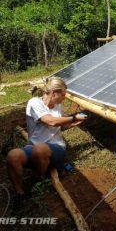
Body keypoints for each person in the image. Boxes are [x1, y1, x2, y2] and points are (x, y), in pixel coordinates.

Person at [6, 77, 88, 207]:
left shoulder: (57, 106)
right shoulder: (34, 103)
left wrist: (73, 123)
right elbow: (51, 121)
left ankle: (36, 178)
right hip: (34, 148)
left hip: (56, 149)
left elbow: (59, 126)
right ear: (54, 93)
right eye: (63, 94)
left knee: (40, 149)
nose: (64, 97)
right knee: (13, 156)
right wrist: (73, 117)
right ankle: (20, 193)